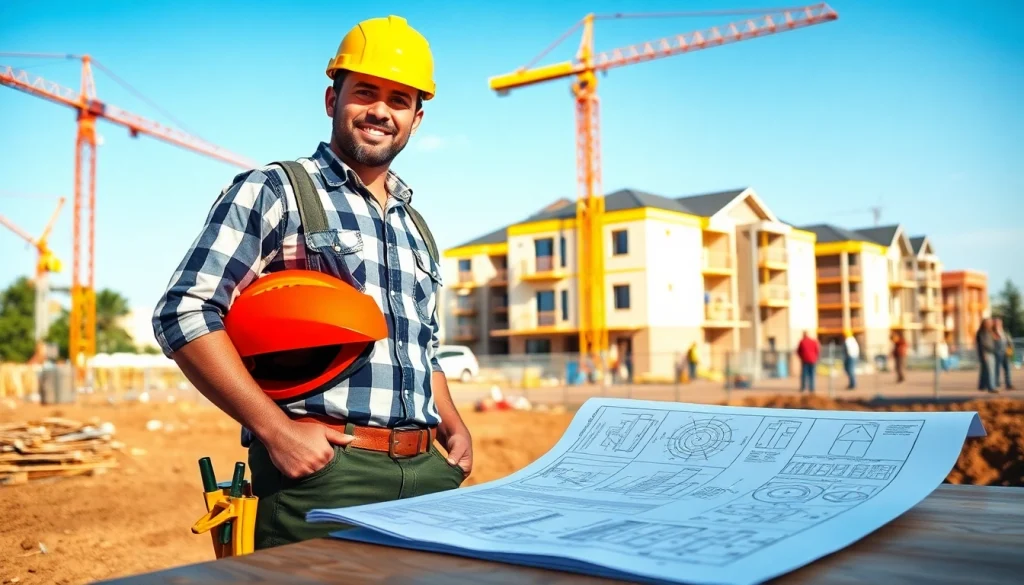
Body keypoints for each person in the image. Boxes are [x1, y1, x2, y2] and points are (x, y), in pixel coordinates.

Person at [151, 15, 472, 549]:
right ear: (332, 100)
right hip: (324, 475)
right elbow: (184, 311)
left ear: (417, 118)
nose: (379, 111)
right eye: (364, 92)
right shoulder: (275, 190)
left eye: (398, 100)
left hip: (427, 477)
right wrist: (278, 433)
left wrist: (451, 424)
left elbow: (424, 349)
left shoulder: (415, 227)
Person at [975, 318, 996, 393]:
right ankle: (991, 387)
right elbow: (982, 345)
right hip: (986, 353)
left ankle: (982, 386)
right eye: (989, 323)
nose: (991, 324)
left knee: (984, 371)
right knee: (990, 371)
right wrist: (984, 354)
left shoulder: (990, 331)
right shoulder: (982, 332)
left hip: (991, 352)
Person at [993, 318, 1014, 390]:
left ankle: (1009, 384)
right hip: (997, 353)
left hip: (1006, 352)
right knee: (997, 369)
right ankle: (997, 384)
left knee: (1007, 369)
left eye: (999, 323)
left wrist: (1010, 348)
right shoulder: (992, 332)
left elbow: (1009, 340)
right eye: (996, 323)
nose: (997, 324)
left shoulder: (1005, 331)